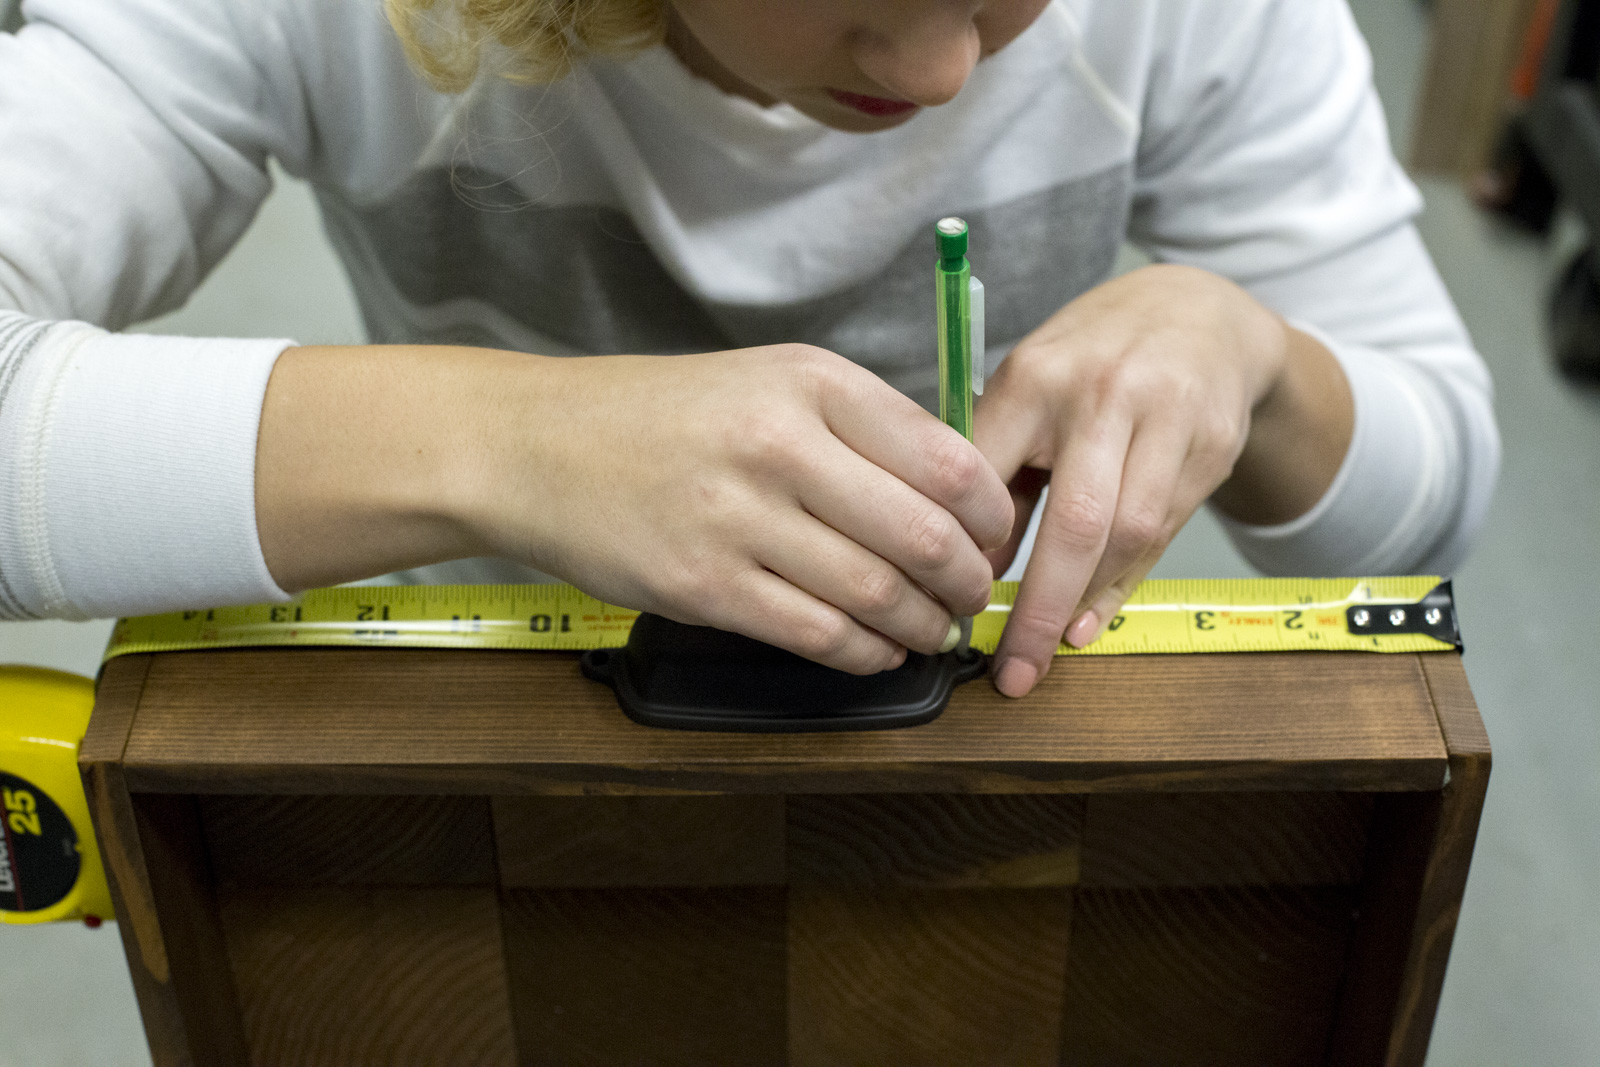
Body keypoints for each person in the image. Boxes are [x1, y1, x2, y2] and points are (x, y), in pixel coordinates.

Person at [0, 0, 1499, 698]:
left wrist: (1254, 355)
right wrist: (508, 444)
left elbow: (1432, 508)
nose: (942, 67)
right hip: (506, 778)